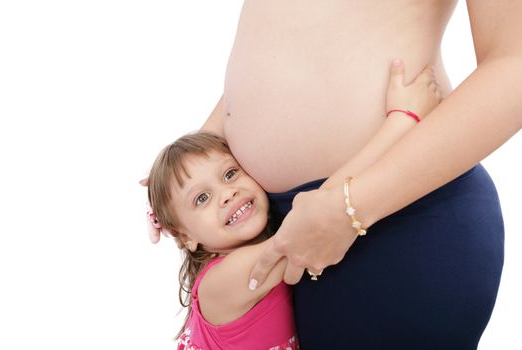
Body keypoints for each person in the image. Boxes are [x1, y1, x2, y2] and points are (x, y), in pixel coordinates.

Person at [153, 2, 522, 348]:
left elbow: (515, 64)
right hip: (288, 218)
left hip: (394, 221)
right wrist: (186, 167)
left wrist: (350, 207)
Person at [144, 63, 441, 349]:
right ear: (185, 237)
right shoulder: (220, 283)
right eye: (202, 198)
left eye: (230, 174)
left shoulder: (243, 251)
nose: (227, 193)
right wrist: (401, 121)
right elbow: (319, 214)